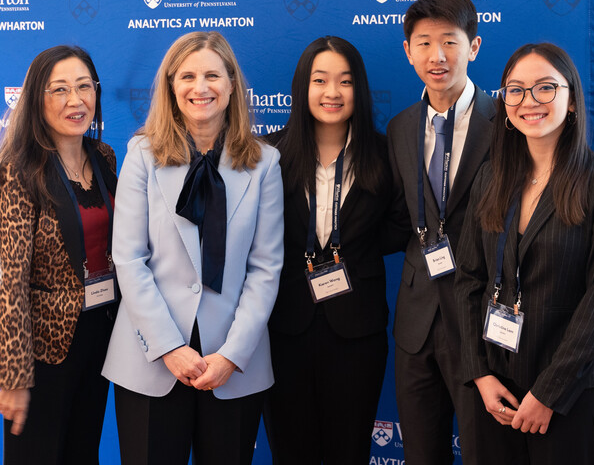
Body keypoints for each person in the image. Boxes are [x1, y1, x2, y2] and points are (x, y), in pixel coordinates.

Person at [101, 31, 284, 465]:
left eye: (212, 75)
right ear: (170, 86)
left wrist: (231, 355)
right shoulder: (141, 155)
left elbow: (265, 269)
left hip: (233, 365)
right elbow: (128, 257)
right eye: (187, 76)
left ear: (232, 83)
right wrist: (169, 346)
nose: (200, 88)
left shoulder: (265, 163)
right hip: (150, 360)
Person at [455, 43, 594, 464]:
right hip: (496, 390)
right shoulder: (492, 177)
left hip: (567, 397)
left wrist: (548, 394)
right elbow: (468, 280)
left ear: (571, 100)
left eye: (544, 89)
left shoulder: (593, 183)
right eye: (515, 90)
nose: (528, 102)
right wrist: (479, 372)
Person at [263, 36, 397, 465]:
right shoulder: (269, 154)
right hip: (284, 328)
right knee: (291, 451)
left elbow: (398, 228)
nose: (332, 93)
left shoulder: (385, 153)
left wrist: (350, 256)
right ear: (303, 87)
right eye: (320, 80)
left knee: (349, 451)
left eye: (345, 81)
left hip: (358, 330)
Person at [387, 0, 495, 464]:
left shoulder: (509, 122)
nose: (437, 56)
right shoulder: (400, 127)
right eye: (424, 42)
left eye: (449, 41)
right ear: (408, 51)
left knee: (482, 452)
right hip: (415, 322)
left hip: (482, 324)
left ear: (473, 46)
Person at [0, 45, 117, 465]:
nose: (76, 100)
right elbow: (7, 279)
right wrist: (12, 376)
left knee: (82, 453)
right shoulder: (18, 169)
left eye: (85, 87)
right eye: (60, 89)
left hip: (100, 335)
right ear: (36, 98)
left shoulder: (104, 158)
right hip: (42, 350)